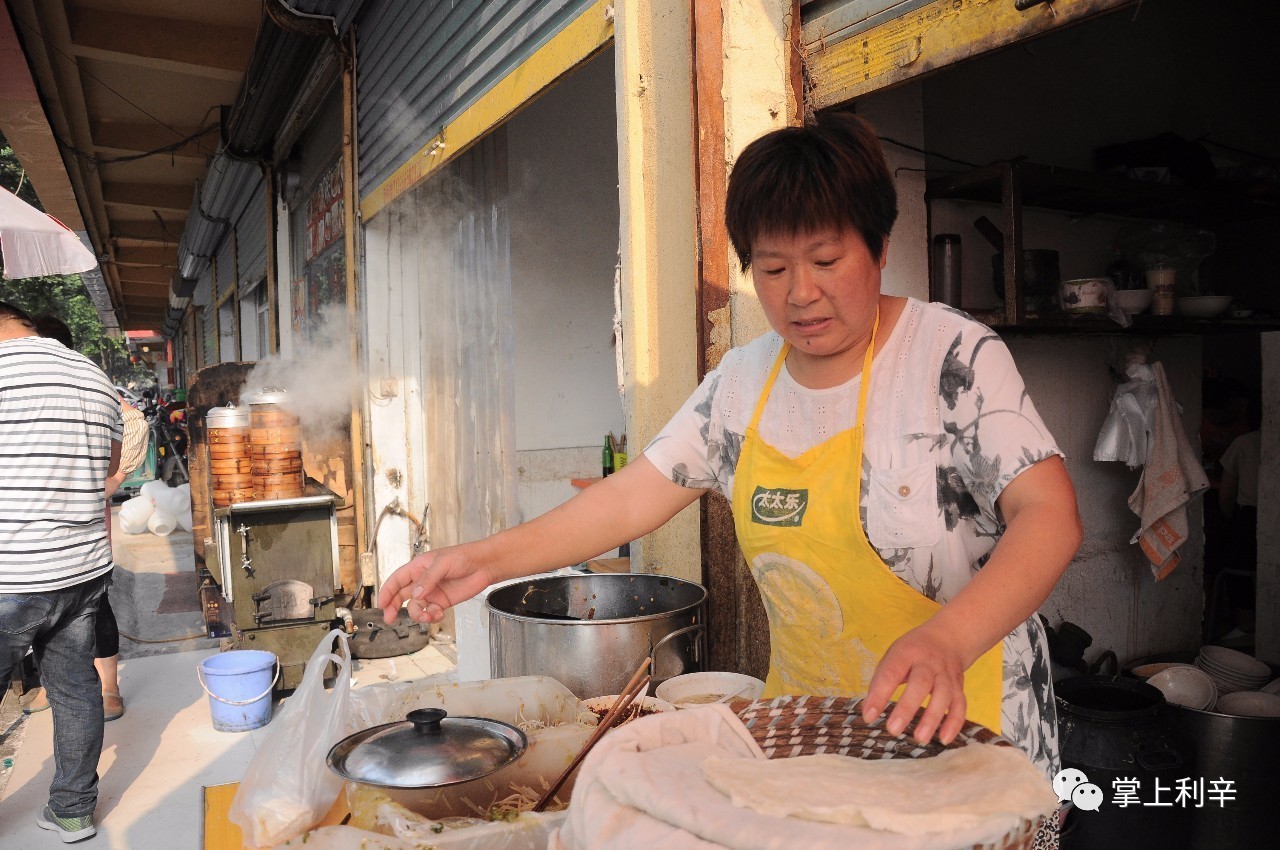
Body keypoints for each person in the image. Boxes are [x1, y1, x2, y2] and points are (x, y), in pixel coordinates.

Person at [378, 114, 1081, 781]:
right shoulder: (744, 384)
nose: (800, 293)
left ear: (880, 248)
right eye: (772, 270)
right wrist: (479, 560)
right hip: (811, 739)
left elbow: (1049, 516)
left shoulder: (950, 357)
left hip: (969, 738)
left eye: (826, 259)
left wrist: (948, 640)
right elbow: (629, 499)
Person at [0, 301, 122, 842]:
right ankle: (72, 811)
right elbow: (114, 464)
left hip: (12, 572)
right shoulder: (91, 373)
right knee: (75, 689)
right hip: (80, 570)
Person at [21, 315, 148, 722]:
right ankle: (52, 684)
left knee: (94, 603)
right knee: (41, 612)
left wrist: (114, 480)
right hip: (28, 528)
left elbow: (132, 420)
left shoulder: (83, 380)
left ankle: (109, 688)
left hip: (82, 525)